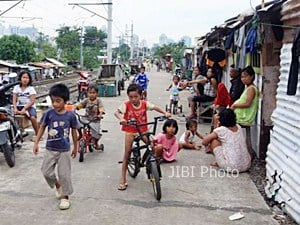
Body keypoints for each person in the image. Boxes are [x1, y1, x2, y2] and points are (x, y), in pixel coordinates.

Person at [114, 83, 171, 191]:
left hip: (142, 130)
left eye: (136, 96)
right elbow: (117, 112)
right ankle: (123, 179)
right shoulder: (126, 104)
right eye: (131, 97)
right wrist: (122, 118)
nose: (133, 99)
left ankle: (151, 166)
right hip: (130, 131)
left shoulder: (144, 104)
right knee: (127, 153)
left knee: (153, 146)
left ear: (141, 96)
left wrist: (165, 112)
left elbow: (155, 107)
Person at [33, 84, 78, 210]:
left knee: (64, 175)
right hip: (50, 148)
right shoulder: (49, 114)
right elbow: (42, 127)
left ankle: (65, 197)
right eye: (53, 101)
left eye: (58, 101)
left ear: (65, 101)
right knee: (46, 172)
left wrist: (76, 146)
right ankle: (57, 185)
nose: (55, 104)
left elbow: (74, 131)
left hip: (64, 150)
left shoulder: (70, 116)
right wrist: (36, 142)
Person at [202, 108, 251, 173]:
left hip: (232, 167)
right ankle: (221, 160)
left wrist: (215, 124)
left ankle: (218, 161)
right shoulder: (238, 127)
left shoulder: (221, 130)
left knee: (214, 141)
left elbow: (204, 141)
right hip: (246, 165)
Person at [76, 83, 105, 149]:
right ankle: (80, 135)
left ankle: (96, 143)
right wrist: (75, 108)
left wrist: (100, 114)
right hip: (86, 118)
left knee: (96, 134)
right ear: (87, 93)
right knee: (77, 123)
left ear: (97, 93)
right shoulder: (86, 100)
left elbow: (101, 108)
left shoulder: (98, 101)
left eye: (94, 93)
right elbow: (80, 105)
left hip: (95, 120)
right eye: (90, 93)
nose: (91, 94)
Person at [12, 71, 39, 139]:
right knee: (11, 117)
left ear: (29, 79)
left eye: (27, 78)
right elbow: (14, 99)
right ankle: (17, 134)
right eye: (23, 77)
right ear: (20, 78)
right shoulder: (16, 88)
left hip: (29, 106)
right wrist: (15, 108)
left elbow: (32, 101)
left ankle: (38, 134)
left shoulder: (31, 89)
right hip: (19, 106)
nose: (25, 79)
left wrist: (25, 109)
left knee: (33, 118)